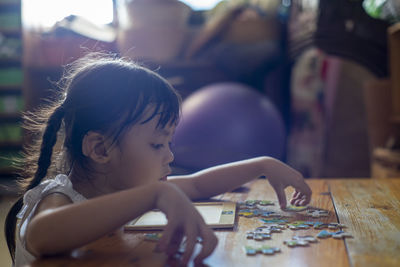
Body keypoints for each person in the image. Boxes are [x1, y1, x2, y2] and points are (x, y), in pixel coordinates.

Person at [5, 53, 312, 267]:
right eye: (156, 144)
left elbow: (195, 183)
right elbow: (43, 235)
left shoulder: (119, 186)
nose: (170, 155)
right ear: (100, 150)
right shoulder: (58, 196)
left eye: (168, 143)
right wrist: (156, 193)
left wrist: (260, 164)